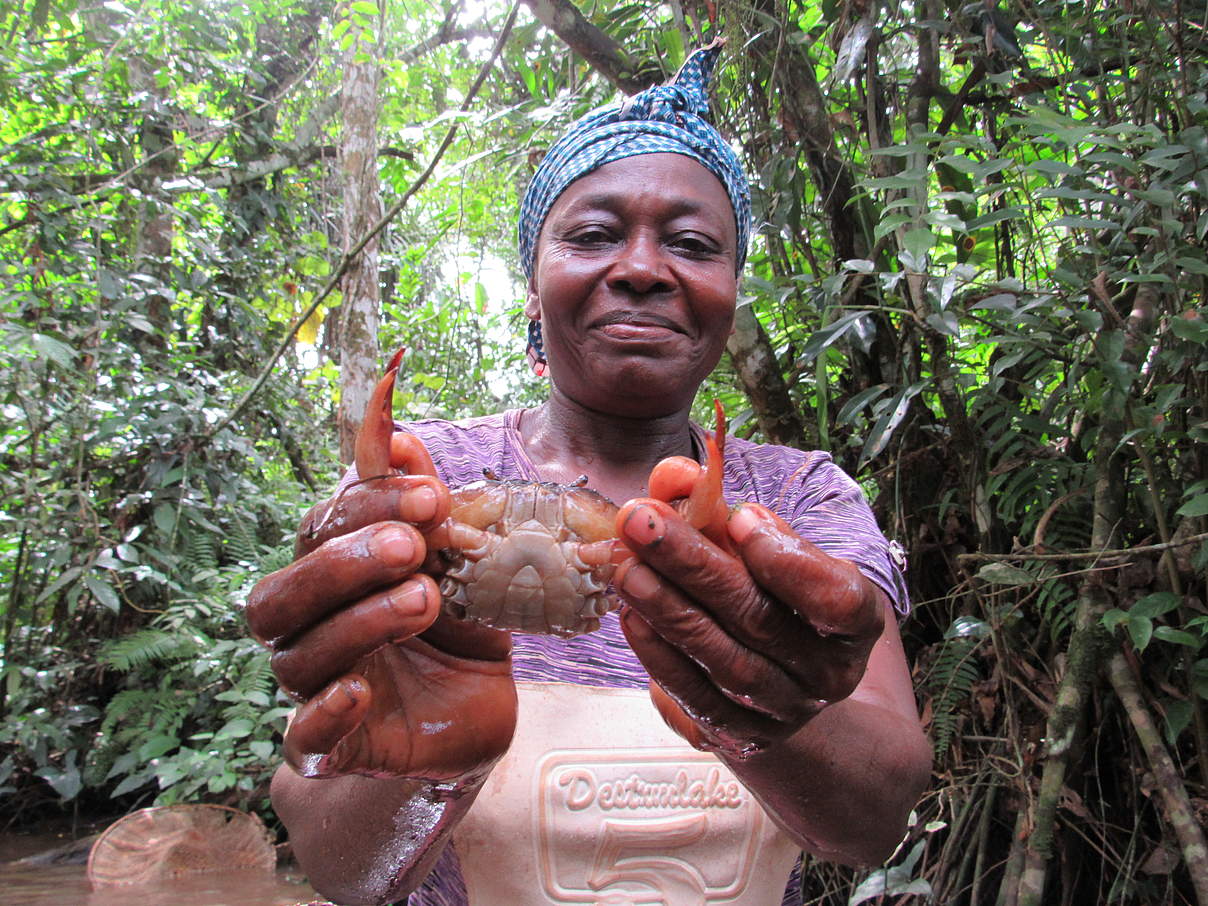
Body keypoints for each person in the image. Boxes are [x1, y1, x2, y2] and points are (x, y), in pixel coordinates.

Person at [245, 41, 931, 906]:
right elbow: (343, 871)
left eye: (690, 243)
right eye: (595, 235)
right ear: (533, 286)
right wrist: (426, 758)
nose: (642, 268)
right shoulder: (422, 491)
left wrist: (761, 704)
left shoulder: (793, 502)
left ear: (729, 292)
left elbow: (875, 820)